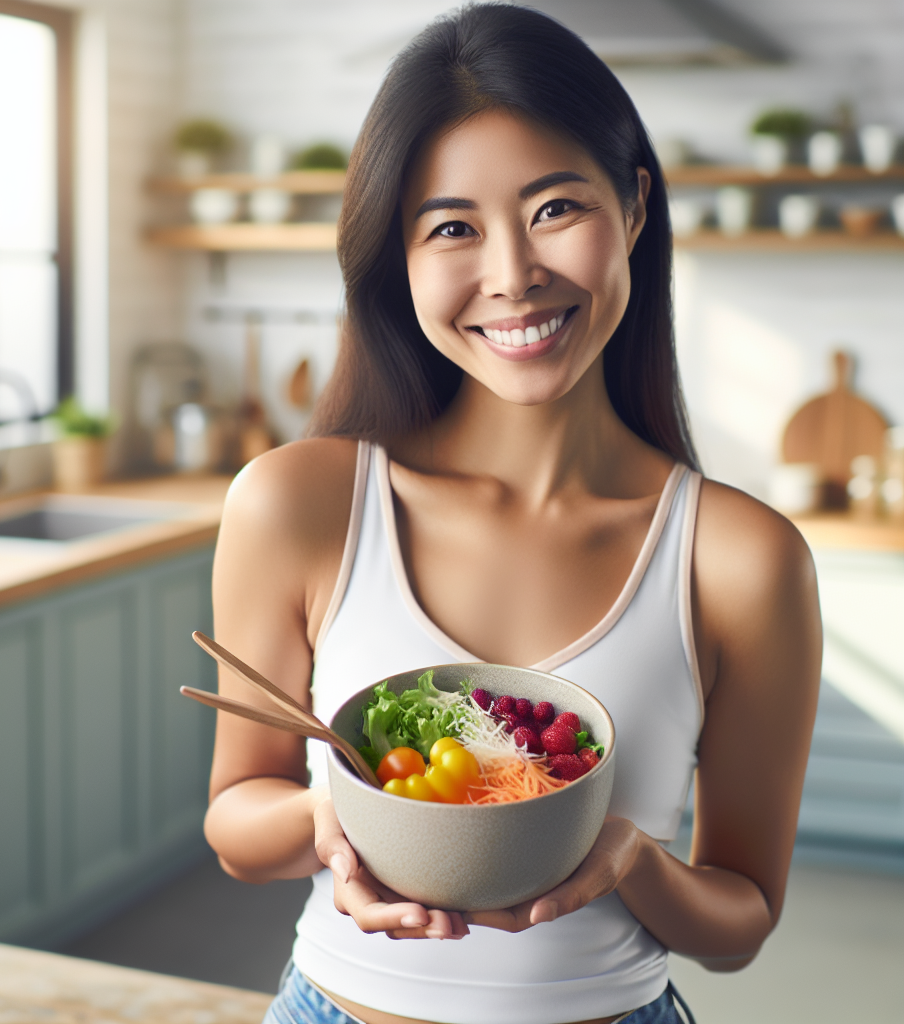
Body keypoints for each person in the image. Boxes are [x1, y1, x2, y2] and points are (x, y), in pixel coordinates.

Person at [203, 5, 822, 1024]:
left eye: (554, 208)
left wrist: (629, 858)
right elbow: (235, 821)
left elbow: (741, 921)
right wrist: (340, 818)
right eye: (452, 227)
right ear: (398, 257)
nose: (512, 275)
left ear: (634, 208)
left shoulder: (741, 558)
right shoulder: (296, 503)